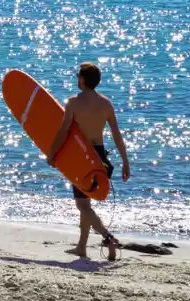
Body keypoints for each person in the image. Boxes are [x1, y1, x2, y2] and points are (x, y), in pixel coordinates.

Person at [47, 61, 130, 261]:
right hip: (101, 157)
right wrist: (126, 162)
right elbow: (117, 135)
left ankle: (109, 238)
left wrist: (52, 154)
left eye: (78, 76)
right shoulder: (106, 104)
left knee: (82, 205)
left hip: (82, 158)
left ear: (82, 80)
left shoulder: (73, 103)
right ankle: (82, 247)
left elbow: (64, 131)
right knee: (86, 202)